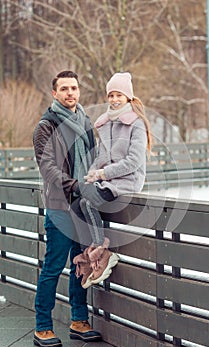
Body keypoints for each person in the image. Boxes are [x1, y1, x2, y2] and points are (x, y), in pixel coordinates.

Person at [32, 70, 102, 347]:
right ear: (55, 94)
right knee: (53, 266)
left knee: (80, 264)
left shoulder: (85, 122)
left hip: (84, 205)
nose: (70, 93)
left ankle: (78, 320)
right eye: (64, 89)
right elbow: (47, 167)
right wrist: (74, 185)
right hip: (61, 206)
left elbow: (95, 159)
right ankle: (42, 326)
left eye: (74, 88)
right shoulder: (45, 127)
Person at [71, 72, 152, 289]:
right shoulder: (106, 123)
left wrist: (104, 174)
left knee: (87, 202)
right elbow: (101, 157)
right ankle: (90, 255)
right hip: (106, 180)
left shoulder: (136, 123)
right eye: (111, 95)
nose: (114, 99)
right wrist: (92, 173)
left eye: (119, 95)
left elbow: (134, 161)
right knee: (76, 204)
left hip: (127, 180)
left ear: (128, 97)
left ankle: (102, 252)